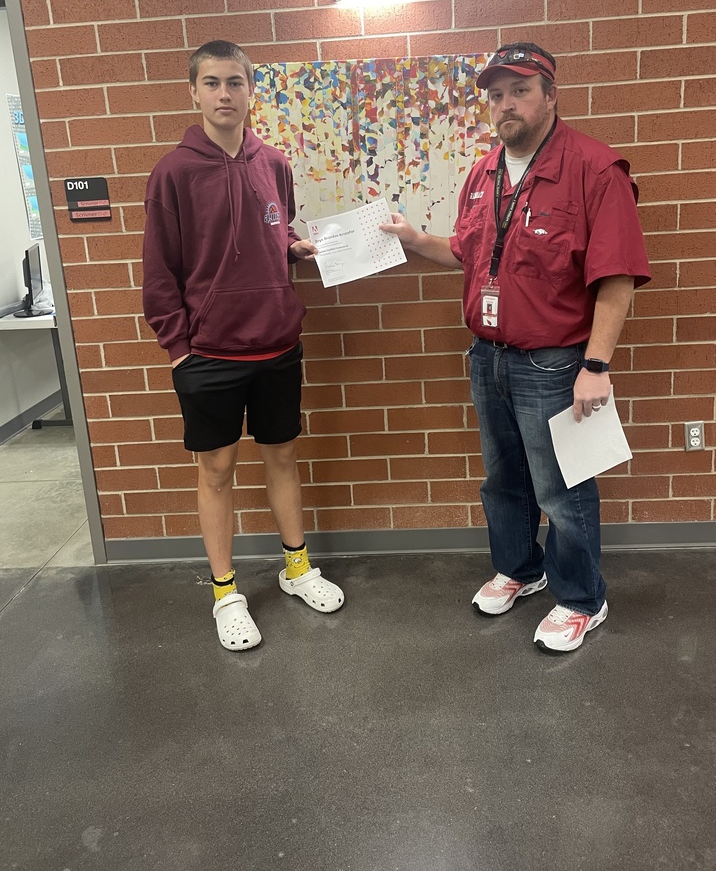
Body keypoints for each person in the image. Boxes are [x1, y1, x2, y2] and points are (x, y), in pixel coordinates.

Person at [382, 42, 650, 654]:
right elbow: (466, 252)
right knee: (504, 480)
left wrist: (596, 365)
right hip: (488, 356)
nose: (506, 104)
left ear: (551, 95)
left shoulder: (594, 170)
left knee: (562, 487)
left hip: (556, 363)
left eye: (520, 90)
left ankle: (582, 599)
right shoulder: (482, 174)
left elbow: (616, 279)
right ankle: (521, 569)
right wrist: (414, 238)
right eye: (496, 94)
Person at [142, 40, 344, 652]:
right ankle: (226, 592)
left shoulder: (274, 163)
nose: (224, 94)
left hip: (278, 343)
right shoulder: (172, 173)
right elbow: (161, 272)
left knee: (282, 458)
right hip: (209, 356)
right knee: (218, 471)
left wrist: (292, 252)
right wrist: (180, 351)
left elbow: (266, 235)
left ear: (251, 91)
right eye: (212, 83)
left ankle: (297, 569)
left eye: (235, 82)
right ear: (194, 92)